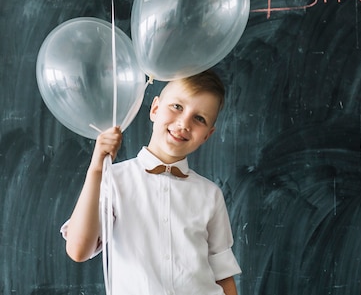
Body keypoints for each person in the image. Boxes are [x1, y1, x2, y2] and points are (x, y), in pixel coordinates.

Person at [61, 69, 241, 295]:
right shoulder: (115, 180)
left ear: (207, 135)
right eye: (177, 106)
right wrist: (97, 168)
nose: (184, 123)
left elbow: (222, 272)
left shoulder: (210, 194)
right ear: (155, 108)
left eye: (199, 118)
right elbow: (78, 250)